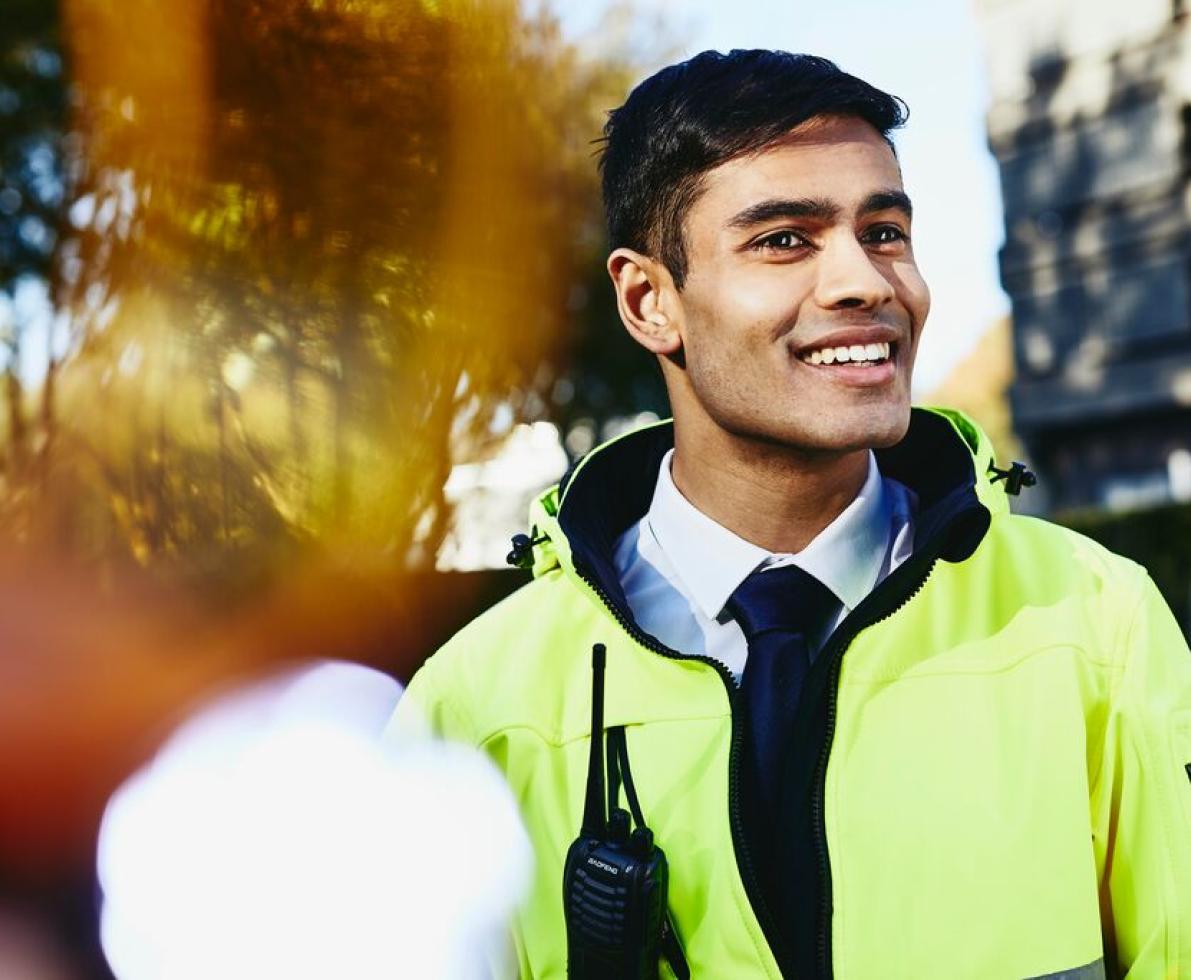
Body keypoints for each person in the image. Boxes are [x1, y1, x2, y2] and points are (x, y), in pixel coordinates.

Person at [389, 50, 1191, 978]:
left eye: (884, 231)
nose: (865, 282)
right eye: (783, 239)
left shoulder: (1095, 623)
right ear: (650, 302)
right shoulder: (473, 711)